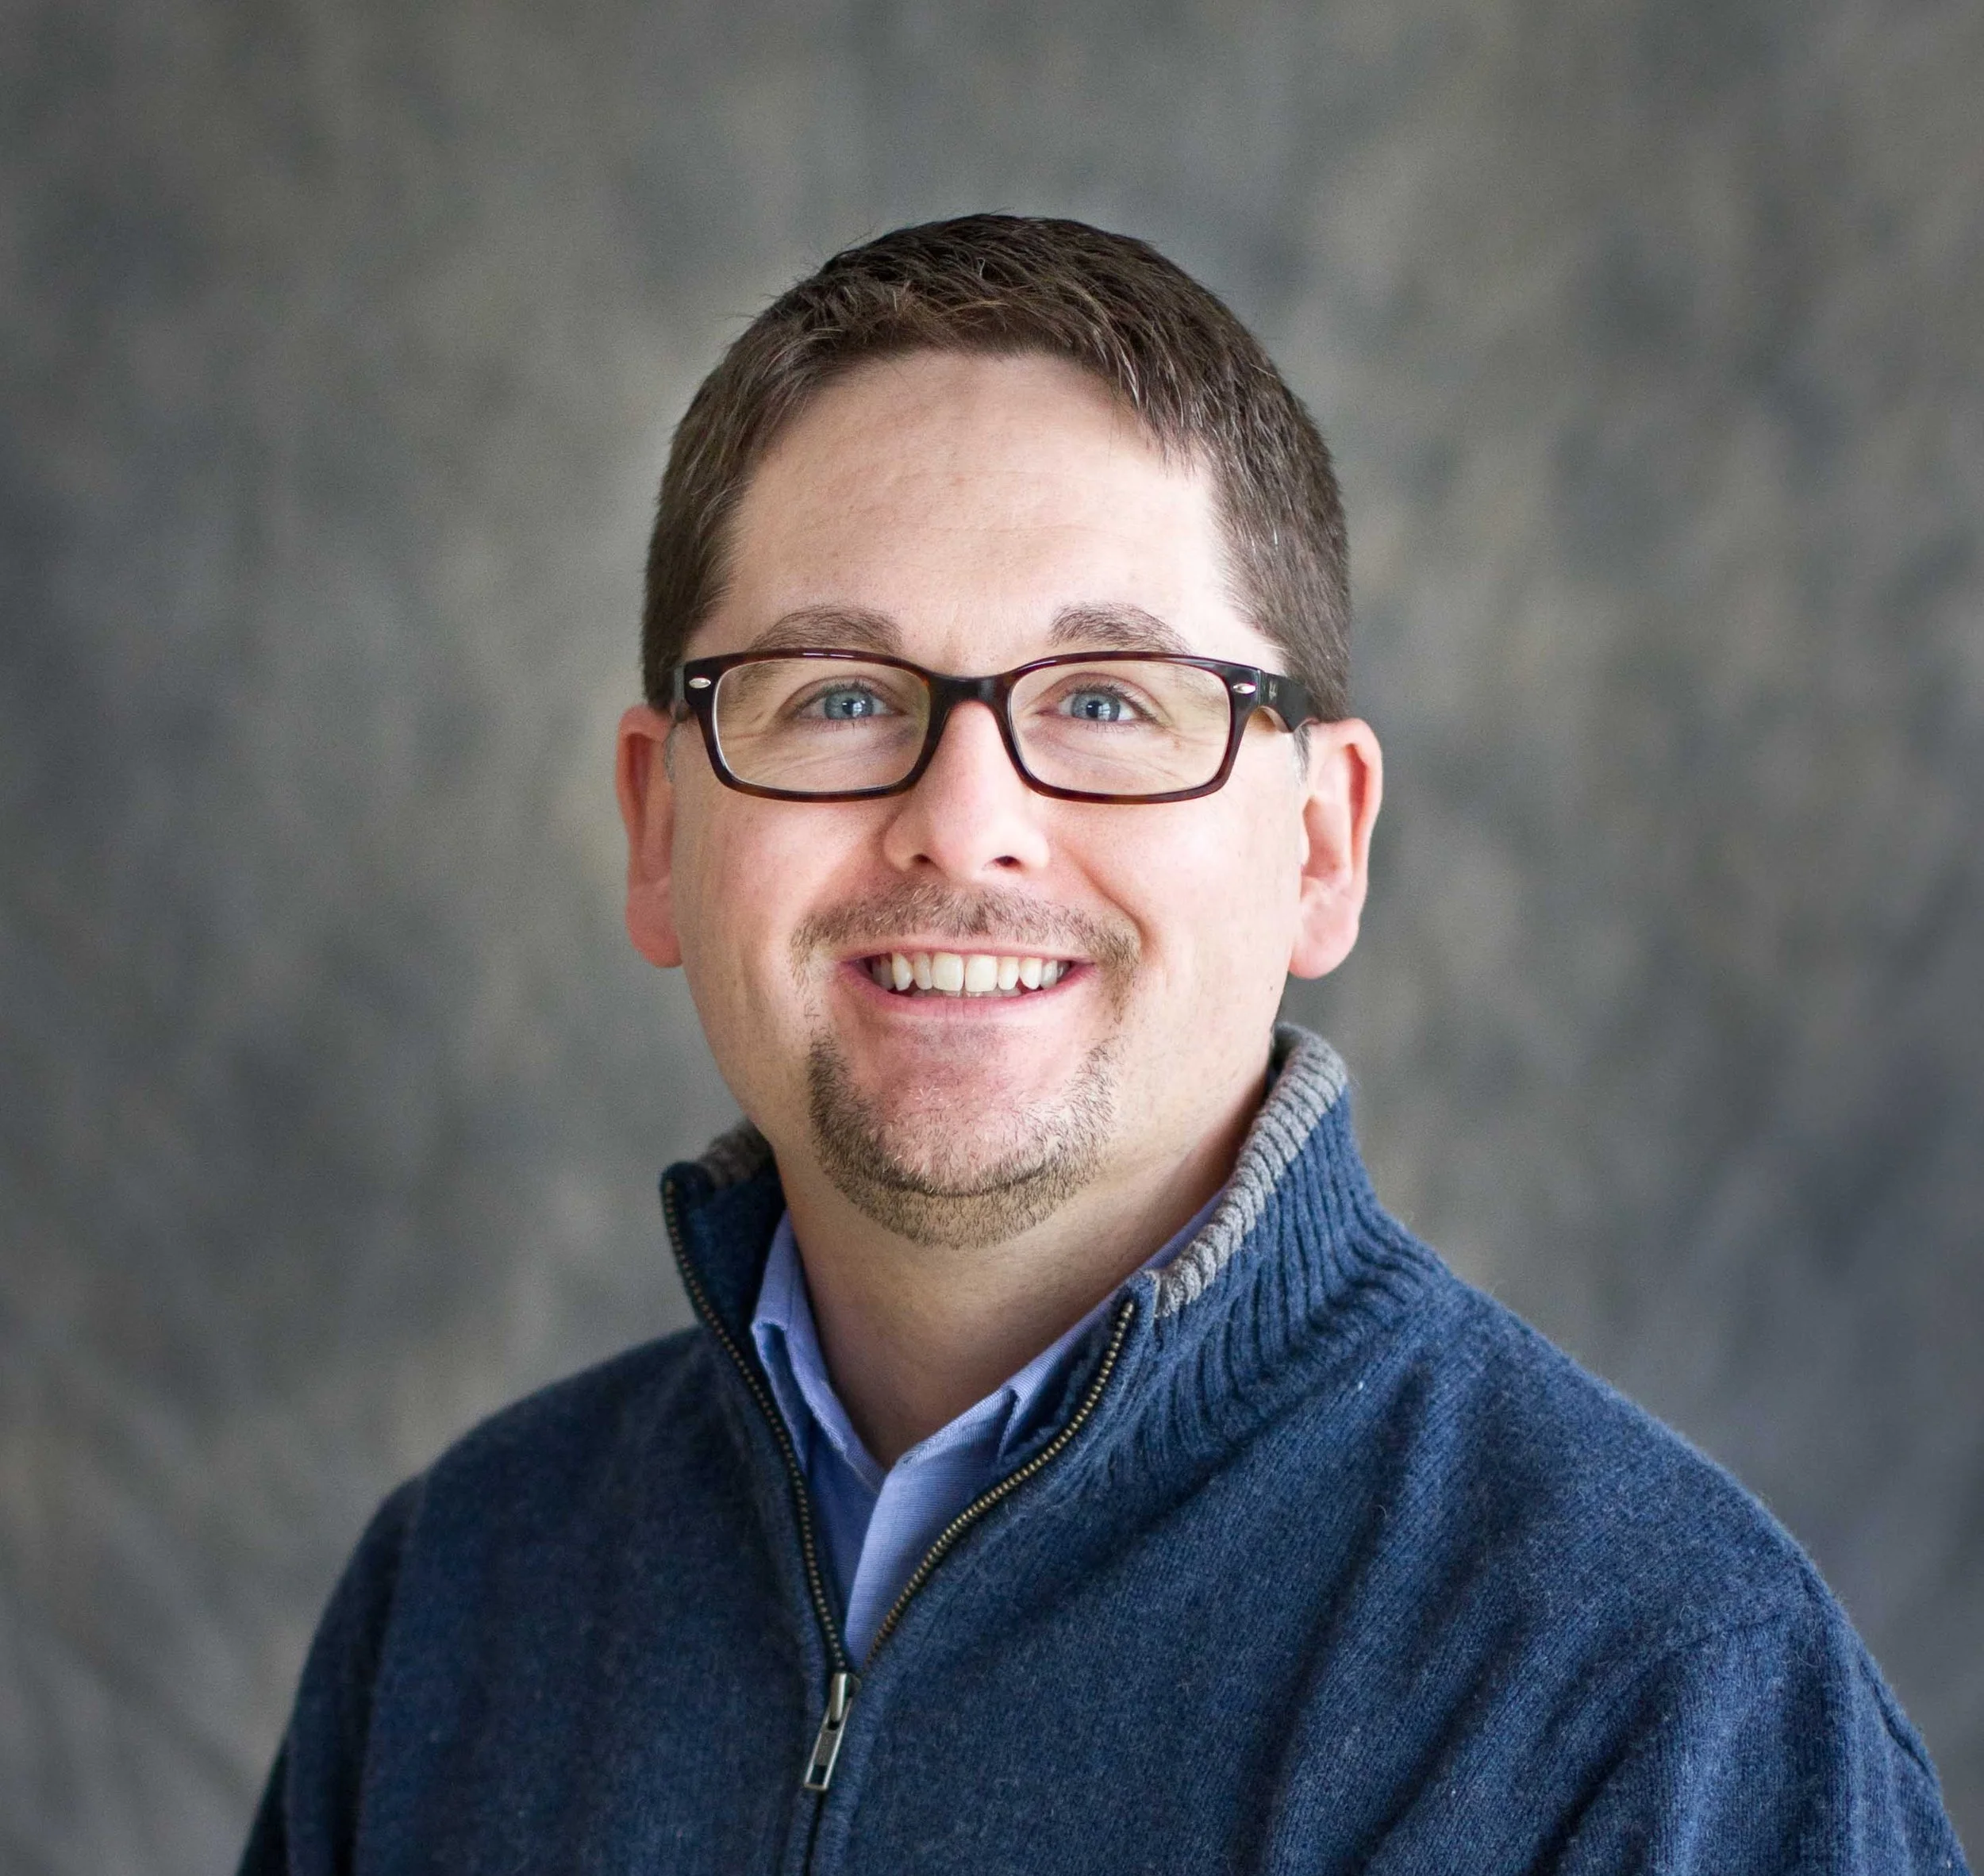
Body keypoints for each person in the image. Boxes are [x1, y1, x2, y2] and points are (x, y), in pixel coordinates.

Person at [239, 215, 1967, 1874]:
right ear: (656, 826)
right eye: (837, 695)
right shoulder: (458, 1602)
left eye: (1106, 702)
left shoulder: (1662, 1699)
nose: (963, 823)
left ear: (1320, 845)